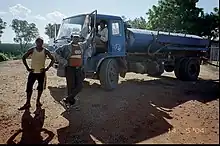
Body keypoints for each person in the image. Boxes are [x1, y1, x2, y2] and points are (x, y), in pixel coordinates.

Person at [19, 37, 55, 110]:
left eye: (41, 42)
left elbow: (53, 59)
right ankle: (27, 103)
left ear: (43, 43)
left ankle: (38, 101)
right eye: (38, 42)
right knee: (29, 87)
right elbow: (23, 57)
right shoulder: (32, 50)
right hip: (32, 72)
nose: (39, 44)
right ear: (36, 43)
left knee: (40, 88)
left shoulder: (45, 51)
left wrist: (47, 68)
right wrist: (27, 68)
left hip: (41, 73)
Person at [54, 35, 84, 107]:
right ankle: (70, 103)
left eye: (77, 37)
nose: (76, 39)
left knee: (80, 86)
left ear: (79, 39)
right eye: (74, 37)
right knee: (71, 86)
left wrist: (92, 32)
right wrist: (63, 61)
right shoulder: (66, 47)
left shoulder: (81, 46)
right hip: (70, 68)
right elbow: (56, 52)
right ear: (71, 38)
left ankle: (67, 99)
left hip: (78, 68)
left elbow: (89, 42)